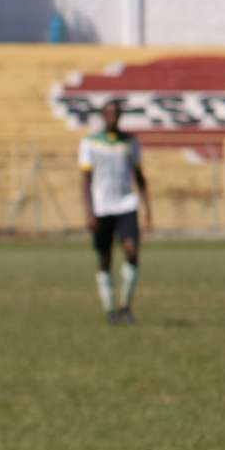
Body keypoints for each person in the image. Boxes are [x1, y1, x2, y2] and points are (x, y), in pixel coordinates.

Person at [78, 101, 149, 325]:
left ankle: (125, 306)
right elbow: (85, 180)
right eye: (109, 113)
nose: (113, 117)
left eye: (116, 114)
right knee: (105, 257)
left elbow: (140, 177)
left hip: (125, 204)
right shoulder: (90, 143)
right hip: (101, 207)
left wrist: (148, 208)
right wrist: (89, 212)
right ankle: (110, 309)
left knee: (131, 251)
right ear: (103, 115)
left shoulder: (130, 142)